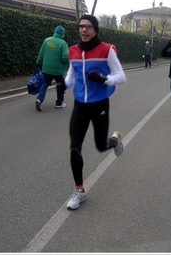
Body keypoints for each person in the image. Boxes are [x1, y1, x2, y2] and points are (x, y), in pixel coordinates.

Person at [57, 15, 126, 210]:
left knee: (100, 145)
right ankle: (79, 190)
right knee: (74, 146)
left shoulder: (107, 50)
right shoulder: (73, 51)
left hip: (100, 105)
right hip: (80, 106)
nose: (83, 30)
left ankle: (114, 141)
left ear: (95, 30)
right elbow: (72, 76)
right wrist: (64, 84)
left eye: (88, 27)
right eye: (81, 27)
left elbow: (121, 77)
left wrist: (103, 79)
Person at [35, 25, 69, 111]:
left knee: (44, 84)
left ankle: (39, 99)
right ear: (62, 34)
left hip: (46, 69)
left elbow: (41, 53)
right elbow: (65, 57)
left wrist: (38, 63)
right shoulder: (63, 43)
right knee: (60, 85)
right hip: (59, 70)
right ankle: (59, 103)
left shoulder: (47, 40)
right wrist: (67, 63)